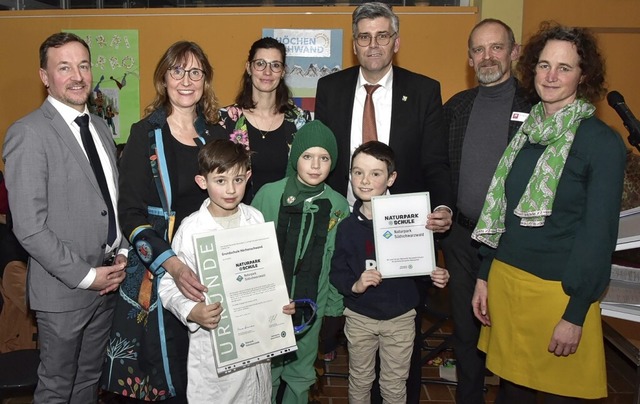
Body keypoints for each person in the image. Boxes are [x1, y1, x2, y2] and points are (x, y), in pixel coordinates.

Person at [471, 22, 626, 402]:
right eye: (543, 65)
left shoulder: (601, 143)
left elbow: (598, 236)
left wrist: (575, 315)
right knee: (511, 394)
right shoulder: (525, 132)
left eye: (564, 67)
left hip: (559, 295)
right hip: (507, 284)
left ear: (583, 75)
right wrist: (485, 274)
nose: (551, 76)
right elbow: (503, 212)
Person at [315, 3, 453, 401]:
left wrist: (442, 207)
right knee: (347, 328)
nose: (372, 44)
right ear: (354, 44)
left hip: (404, 232)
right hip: (347, 225)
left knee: (399, 341)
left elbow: (435, 161)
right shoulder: (331, 88)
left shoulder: (424, 90)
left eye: (382, 35)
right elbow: (324, 157)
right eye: (363, 36)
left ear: (396, 41)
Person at [2, 32, 127, 403]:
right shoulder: (28, 134)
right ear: (45, 77)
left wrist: (119, 251)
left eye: (84, 66)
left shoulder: (101, 128)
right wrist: (87, 277)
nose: (78, 76)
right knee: (56, 388)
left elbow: (110, 203)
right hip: (64, 291)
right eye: (64, 67)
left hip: (108, 282)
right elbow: (29, 227)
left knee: (89, 381)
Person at [101, 41, 224, 402]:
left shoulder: (215, 134)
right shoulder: (145, 134)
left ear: (205, 80)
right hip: (159, 268)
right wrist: (173, 265)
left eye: (195, 72)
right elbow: (130, 214)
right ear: (163, 78)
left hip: (209, 260)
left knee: (210, 367)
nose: (186, 80)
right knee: (167, 374)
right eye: (177, 71)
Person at [158, 139, 295, 403]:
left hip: (256, 340)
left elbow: (267, 273)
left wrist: (278, 303)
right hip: (214, 346)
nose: (231, 189)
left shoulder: (255, 218)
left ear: (249, 178)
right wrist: (191, 311)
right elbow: (168, 285)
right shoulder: (191, 229)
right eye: (220, 181)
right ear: (202, 182)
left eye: (238, 179)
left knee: (257, 395)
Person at [440, 18, 532, 404]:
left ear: (514, 52)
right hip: (462, 239)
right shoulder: (456, 108)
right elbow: (438, 168)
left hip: (515, 242)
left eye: (496, 47)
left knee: (514, 337)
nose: (487, 56)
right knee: (465, 333)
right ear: (469, 57)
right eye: (478, 49)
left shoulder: (537, 108)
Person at [330, 141, 450, 403]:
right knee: (360, 379)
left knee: (394, 384)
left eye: (375, 173)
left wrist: (435, 272)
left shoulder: (412, 219)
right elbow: (337, 272)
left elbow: (420, 265)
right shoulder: (347, 228)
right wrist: (356, 285)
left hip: (401, 318)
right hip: (360, 317)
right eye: (358, 172)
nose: (364, 180)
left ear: (391, 178)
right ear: (350, 175)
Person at [252, 120, 349, 404]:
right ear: (296, 158)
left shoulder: (339, 205)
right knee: (264, 373)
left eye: (324, 158)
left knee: (301, 374)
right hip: (268, 306)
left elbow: (335, 261)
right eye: (308, 156)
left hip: (311, 308)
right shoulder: (269, 194)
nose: (316, 165)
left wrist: (332, 309)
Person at [217, 37, 310, 204]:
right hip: (241, 220)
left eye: (275, 65)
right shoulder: (226, 119)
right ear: (249, 68)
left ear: (283, 72)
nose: (267, 72)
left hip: (287, 218)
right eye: (260, 64)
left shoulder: (300, 121)